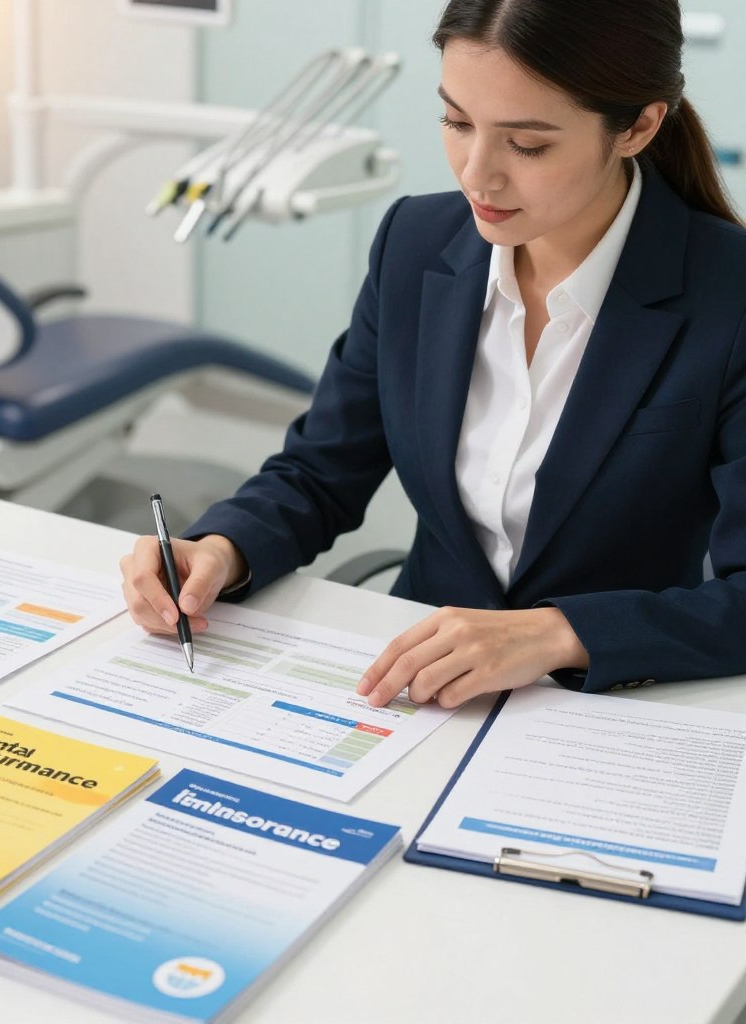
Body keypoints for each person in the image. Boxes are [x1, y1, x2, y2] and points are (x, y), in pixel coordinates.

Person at [120, 0, 746, 711]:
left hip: (609, 706)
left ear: (638, 126)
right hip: (415, 687)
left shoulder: (729, 297)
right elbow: (321, 468)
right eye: (456, 122)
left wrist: (560, 634)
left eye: (528, 144)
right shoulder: (415, 243)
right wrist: (220, 551)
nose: (477, 175)